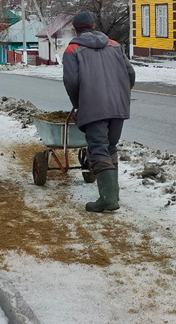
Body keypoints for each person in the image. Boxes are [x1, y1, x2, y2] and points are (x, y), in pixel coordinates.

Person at [63, 11, 135, 212]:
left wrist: (80, 103)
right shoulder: (114, 45)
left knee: (98, 148)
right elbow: (130, 73)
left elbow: (71, 81)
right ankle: (113, 194)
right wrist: (120, 95)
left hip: (93, 106)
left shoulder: (72, 50)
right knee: (110, 146)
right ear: (94, 25)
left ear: (75, 28)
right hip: (118, 106)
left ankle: (108, 199)